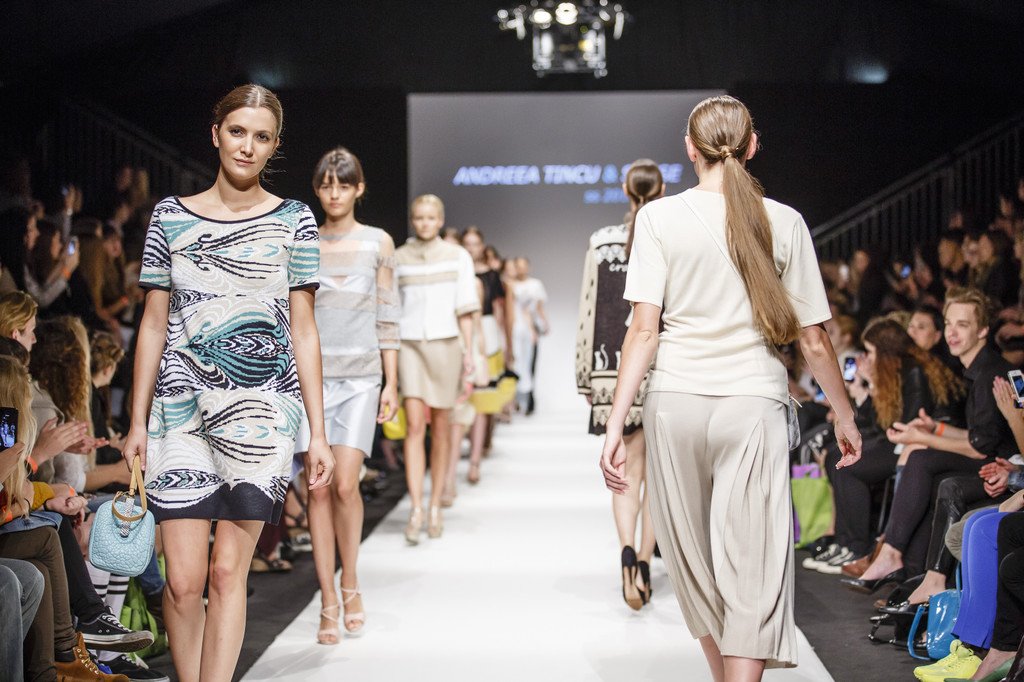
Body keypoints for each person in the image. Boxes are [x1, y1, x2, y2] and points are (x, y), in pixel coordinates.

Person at [600, 95, 861, 680]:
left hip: (674, 403)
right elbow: (814, 340)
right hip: (752, 403)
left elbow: (643, 331)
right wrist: (844, 415)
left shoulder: (658, 219)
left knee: (694, 563)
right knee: (752, 564)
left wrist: (617, 423)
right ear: (752, 146)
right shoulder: (784, 221)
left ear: (689, 149)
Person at [120, 84, 334, 682]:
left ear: (274, 147)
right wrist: (135, 422)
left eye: (261, 137)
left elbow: (305, 330)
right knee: (183, 582)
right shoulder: (169, 216)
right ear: (215, 134)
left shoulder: (295, 220)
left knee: (225, 573)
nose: (247, 146)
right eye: (237, 131)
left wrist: (319, 433)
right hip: (179, 412)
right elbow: (153, 323)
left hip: (263, 411)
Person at [845, 287, 1018, 592]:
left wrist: (922, 436)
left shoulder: (991, 374)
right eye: (949, 323)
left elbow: (980, 447)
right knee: (923, 461)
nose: (952, 332)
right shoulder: (978, 369)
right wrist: (934, 429)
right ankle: (906, 568)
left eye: (962, 325)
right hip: (992, 459)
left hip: (1002, 469)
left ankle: (895, 557)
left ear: (982, 331)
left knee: (922, 459)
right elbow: (979, 435)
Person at [299, 147, 400, 645]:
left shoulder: (378, 242)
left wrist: (392, 381)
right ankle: (328, 600)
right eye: (326, 185)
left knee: (344, 484)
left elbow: (387, 312)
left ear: (359, 188)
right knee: (317, 487)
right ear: (317, 189)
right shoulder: (301, 242)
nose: (334, 194)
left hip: (361, 377)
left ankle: (351, 582)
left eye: (343, 185)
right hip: (312, 380)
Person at [577, 159, 663, 610]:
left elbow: (589, 309)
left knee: (624, 473)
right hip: (660, 366)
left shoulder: (601, 241)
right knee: (656, 478)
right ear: (662, 190)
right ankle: (645, 562)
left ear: (627, 193)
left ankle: (627, 552)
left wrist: (584, 374)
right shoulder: (668, 234)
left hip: (611, 369)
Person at [814, 318, 965, 574]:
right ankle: (845, 541)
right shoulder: (896, 372)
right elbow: (880, 422)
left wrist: (873, 386)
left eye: (871, 352)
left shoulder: (914, 372)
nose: (868, 358)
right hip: (898, 440)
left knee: (851, 466)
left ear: (885, 352)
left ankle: (857, 546)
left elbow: (903, 422)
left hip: (916, 443)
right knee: (837, 457)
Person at [394, 194, 478, 544]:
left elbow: (466, 309)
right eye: (419, 217)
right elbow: (392, 308)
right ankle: (416, 507)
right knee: (415, 426)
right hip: (409, 345)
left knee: (442, 427)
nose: (424, 223)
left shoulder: (458, 256)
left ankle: (434, 506)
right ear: (413, 220)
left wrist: (469, 352)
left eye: (430, 218)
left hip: (446, 344)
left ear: (440, 220)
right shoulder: (399, 257)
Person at [511, 257, 548, 415]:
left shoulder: (535, 284)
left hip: (531, 327)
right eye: (518, 266)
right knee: (516, 363)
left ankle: (530, 401)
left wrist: (545, 323)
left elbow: (539, 307)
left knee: (530, 363)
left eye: (524, 266)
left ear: (529, 267)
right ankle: (515, 401)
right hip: (515, 328)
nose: (521, 269)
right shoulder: (510, 285)